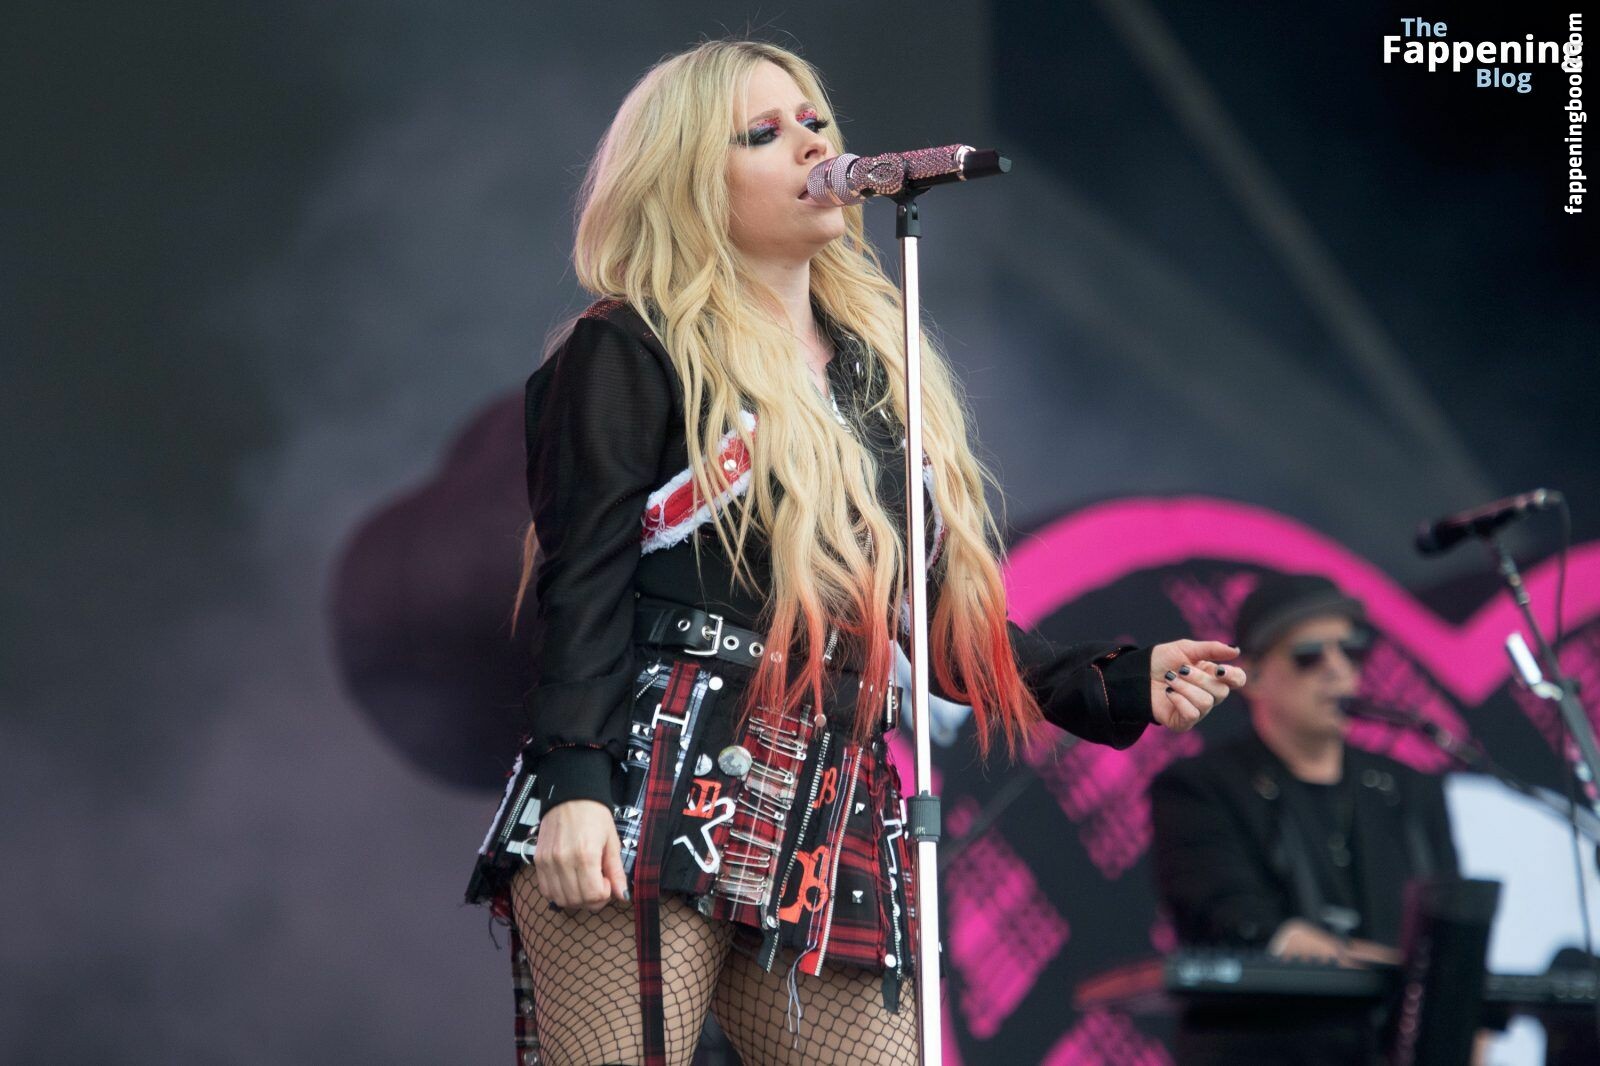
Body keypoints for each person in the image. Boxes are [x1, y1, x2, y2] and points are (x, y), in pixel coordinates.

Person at [467, 39, 1246, 1066]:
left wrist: (1113, 679)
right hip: (652, 770)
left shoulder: (875, 378)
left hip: (828, 799)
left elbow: (936, 619)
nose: (809, 145)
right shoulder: (631, 348)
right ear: (690, 179)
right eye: (762, 133)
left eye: (813, 122)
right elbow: (584, 580)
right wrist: (575, 782)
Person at [1150, 572, 1460, 1064]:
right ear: (1252, 675)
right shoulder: (1198, 789)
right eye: (1309, 655)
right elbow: (1242, 925)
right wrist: (1406, 972)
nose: (1337, 669)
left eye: (1351, 651)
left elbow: (1452, 932)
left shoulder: (1409, 790)